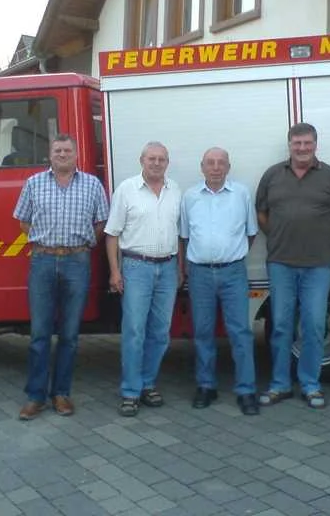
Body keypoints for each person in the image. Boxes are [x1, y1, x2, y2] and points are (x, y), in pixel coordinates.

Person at [13, 134, 109, 420]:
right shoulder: (34, 183)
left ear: (76, 155)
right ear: (50, 154)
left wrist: (84, 245)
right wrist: (43, 241)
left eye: (68, 150)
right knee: (39, 334)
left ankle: (61, 394)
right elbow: (23, 221)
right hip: (42, 260)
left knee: (69, 335)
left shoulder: (92, 184)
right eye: (58, 150)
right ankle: (35, 396)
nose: (63, 154)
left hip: (77, 262)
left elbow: (102, 222)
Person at [256, 123, 330, 409]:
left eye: (307, 143)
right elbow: (261, 213)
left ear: (315, 145)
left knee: (314, 325)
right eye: (297, 143)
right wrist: (278, 236)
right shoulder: (272, 175)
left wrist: (323, 239)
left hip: (317, 266)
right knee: (281, 326)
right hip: (280, 264)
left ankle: (310, 385)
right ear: (289, 145)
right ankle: (280, 385)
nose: (302, 148)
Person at [105, 141, 183, 417]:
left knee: (160, 332)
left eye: (162, 159)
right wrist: (115, 271)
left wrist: (180, 268)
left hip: (168, 268)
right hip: (136, 267)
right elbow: (112, 234)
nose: (157, 163)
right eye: (152, 158)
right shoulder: (126, 190)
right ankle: (130, 391)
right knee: (135, 331)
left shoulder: (176, 191)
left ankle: (148, 383)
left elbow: (179, 233)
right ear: (142, 161)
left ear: (167, 163)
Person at [180, 148, 260, 415]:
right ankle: (206, 386)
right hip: (200, 274)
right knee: (203, 332)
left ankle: (246, 390)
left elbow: (251, 233)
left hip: (233, 272)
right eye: (210, 163)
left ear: (228, 167)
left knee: (240, 332)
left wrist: (231, 255)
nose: (215, 167)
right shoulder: (190, 197)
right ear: (202, 167)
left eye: (221, 163)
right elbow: (184, 236)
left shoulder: (241, 194)